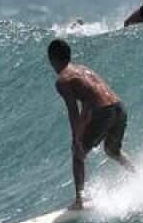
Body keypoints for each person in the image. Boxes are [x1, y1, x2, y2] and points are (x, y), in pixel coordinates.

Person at [48, 38, 136, 210]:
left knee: (77, 154)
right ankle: (138, 177)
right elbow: (90, 101)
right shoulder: (83, 69)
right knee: (112, 150)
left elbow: (74, 112)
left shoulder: (63, 80)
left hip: (103, 112)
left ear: (51, 59)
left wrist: (76, 139)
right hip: (119, 107)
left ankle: (79, 201)